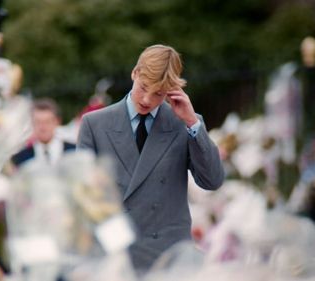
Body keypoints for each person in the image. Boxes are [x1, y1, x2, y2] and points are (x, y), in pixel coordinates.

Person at [77, 44, 225, 271]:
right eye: (143, 87)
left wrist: (192, 124)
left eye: (158, 93)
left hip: (169, 259)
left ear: (171, 90)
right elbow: (82, 195)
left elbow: (212, 180)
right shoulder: (94, 124)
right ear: (135, 73)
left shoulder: (184, 124)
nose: (147, 99)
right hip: (116, 256)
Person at [11, 98, 75, 168]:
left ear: (57, 122)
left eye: (47, 122)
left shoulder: (74, 151)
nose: (43, 127)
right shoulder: (20, 158)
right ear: (31, 123)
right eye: (38, 122)